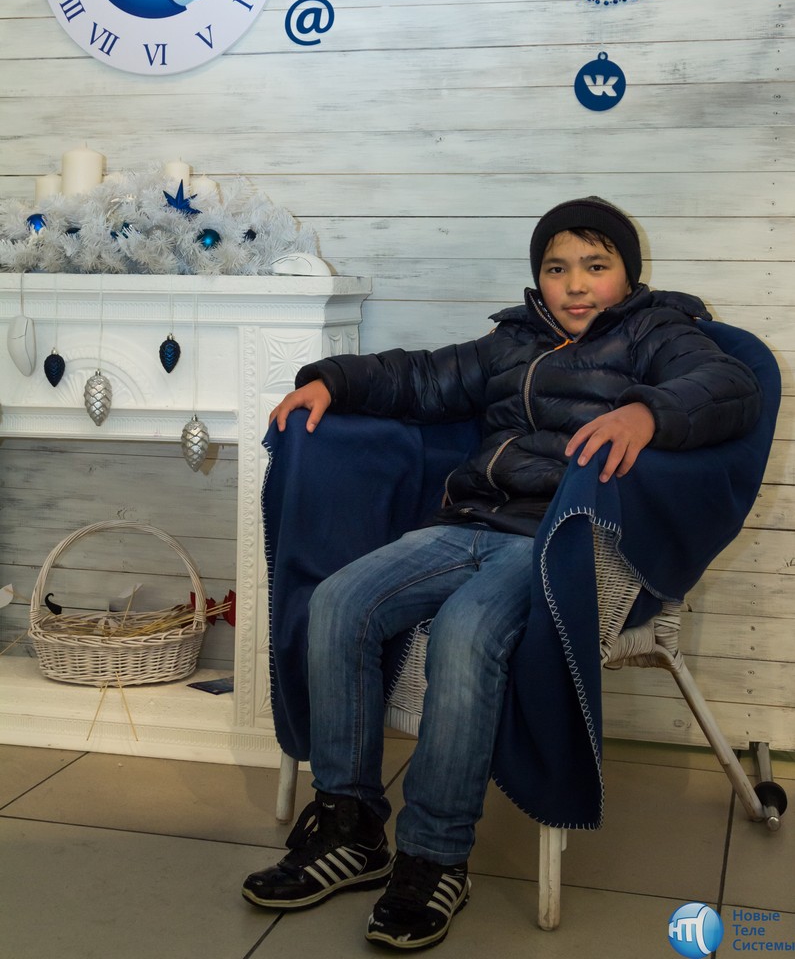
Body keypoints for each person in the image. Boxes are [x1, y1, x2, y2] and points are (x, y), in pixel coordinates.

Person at [242, 196, 762, 950]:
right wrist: (333, 380)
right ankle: (350, 826)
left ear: (627, 273)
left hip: (558, 543)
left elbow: (729, 387)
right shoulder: (512, 341)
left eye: (595, 266)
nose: (575, 284)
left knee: (466, 629)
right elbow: (420, 377)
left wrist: (646, 413)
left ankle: (434, 856)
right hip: (468, 524)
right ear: (538, 278)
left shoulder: (658, 332)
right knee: (339, 601)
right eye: (556, 268)